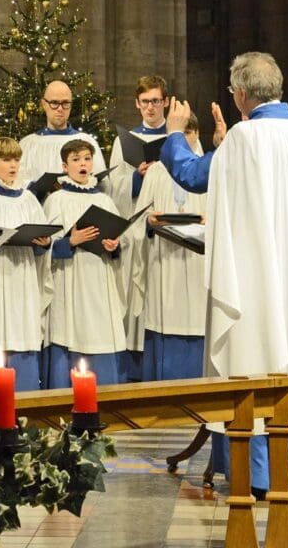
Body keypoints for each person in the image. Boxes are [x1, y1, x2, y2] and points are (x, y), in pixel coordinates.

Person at [160, 51, 288, 495]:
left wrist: (174, 136)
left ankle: (265, 473)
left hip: (261, 275)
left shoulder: (246, 138)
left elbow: (192, 176)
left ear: (241, 94)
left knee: (261, 355)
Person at [42, 139, 126, 388]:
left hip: (99, 278)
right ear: (64, 166)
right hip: (70, 277)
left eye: (87, 158)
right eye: (76, 159)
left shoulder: (105, 200)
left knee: (101, 330)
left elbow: (119, 241)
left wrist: (114, 246)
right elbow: (45, 247)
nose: (82, 164)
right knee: (70, 330)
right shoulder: (56, 200)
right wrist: (71, 240)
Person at [0, 137, 53, 390]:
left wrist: (43, 242)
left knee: (24, 330)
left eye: (16, 160)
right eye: (6, 160)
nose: (13, 166)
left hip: (24, 273)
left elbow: (43, 242)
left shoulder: (28, 199)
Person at [108, 74, 173, 381]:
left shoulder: (181, 138)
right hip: (134, 229)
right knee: (132, 293)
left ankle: (159, 360)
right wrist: (137, 178)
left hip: (165, 230)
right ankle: (132, 369)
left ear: (166, 102)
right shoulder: (125, 142)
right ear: (137, 104)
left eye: (156, 101)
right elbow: (111, 187)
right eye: (145, 102)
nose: (150, 107)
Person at [136, 116, 207, 382]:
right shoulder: (156, 171)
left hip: (199, 261)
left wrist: (208, 219)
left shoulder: (209, 167)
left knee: (199, 320)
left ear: (197, 133)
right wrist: (150, 222)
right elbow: (138, 217)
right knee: (165, 318)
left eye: (189, 131)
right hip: (164, 261)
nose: (185, 138)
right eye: (180, 132)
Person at [17, 80, 107, 187]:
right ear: (44, 104)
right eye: (54, 103)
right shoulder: (28, 144)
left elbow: (104, 185)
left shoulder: (87, 141)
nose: (60, 109)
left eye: (65, 103)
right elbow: (17, 183)